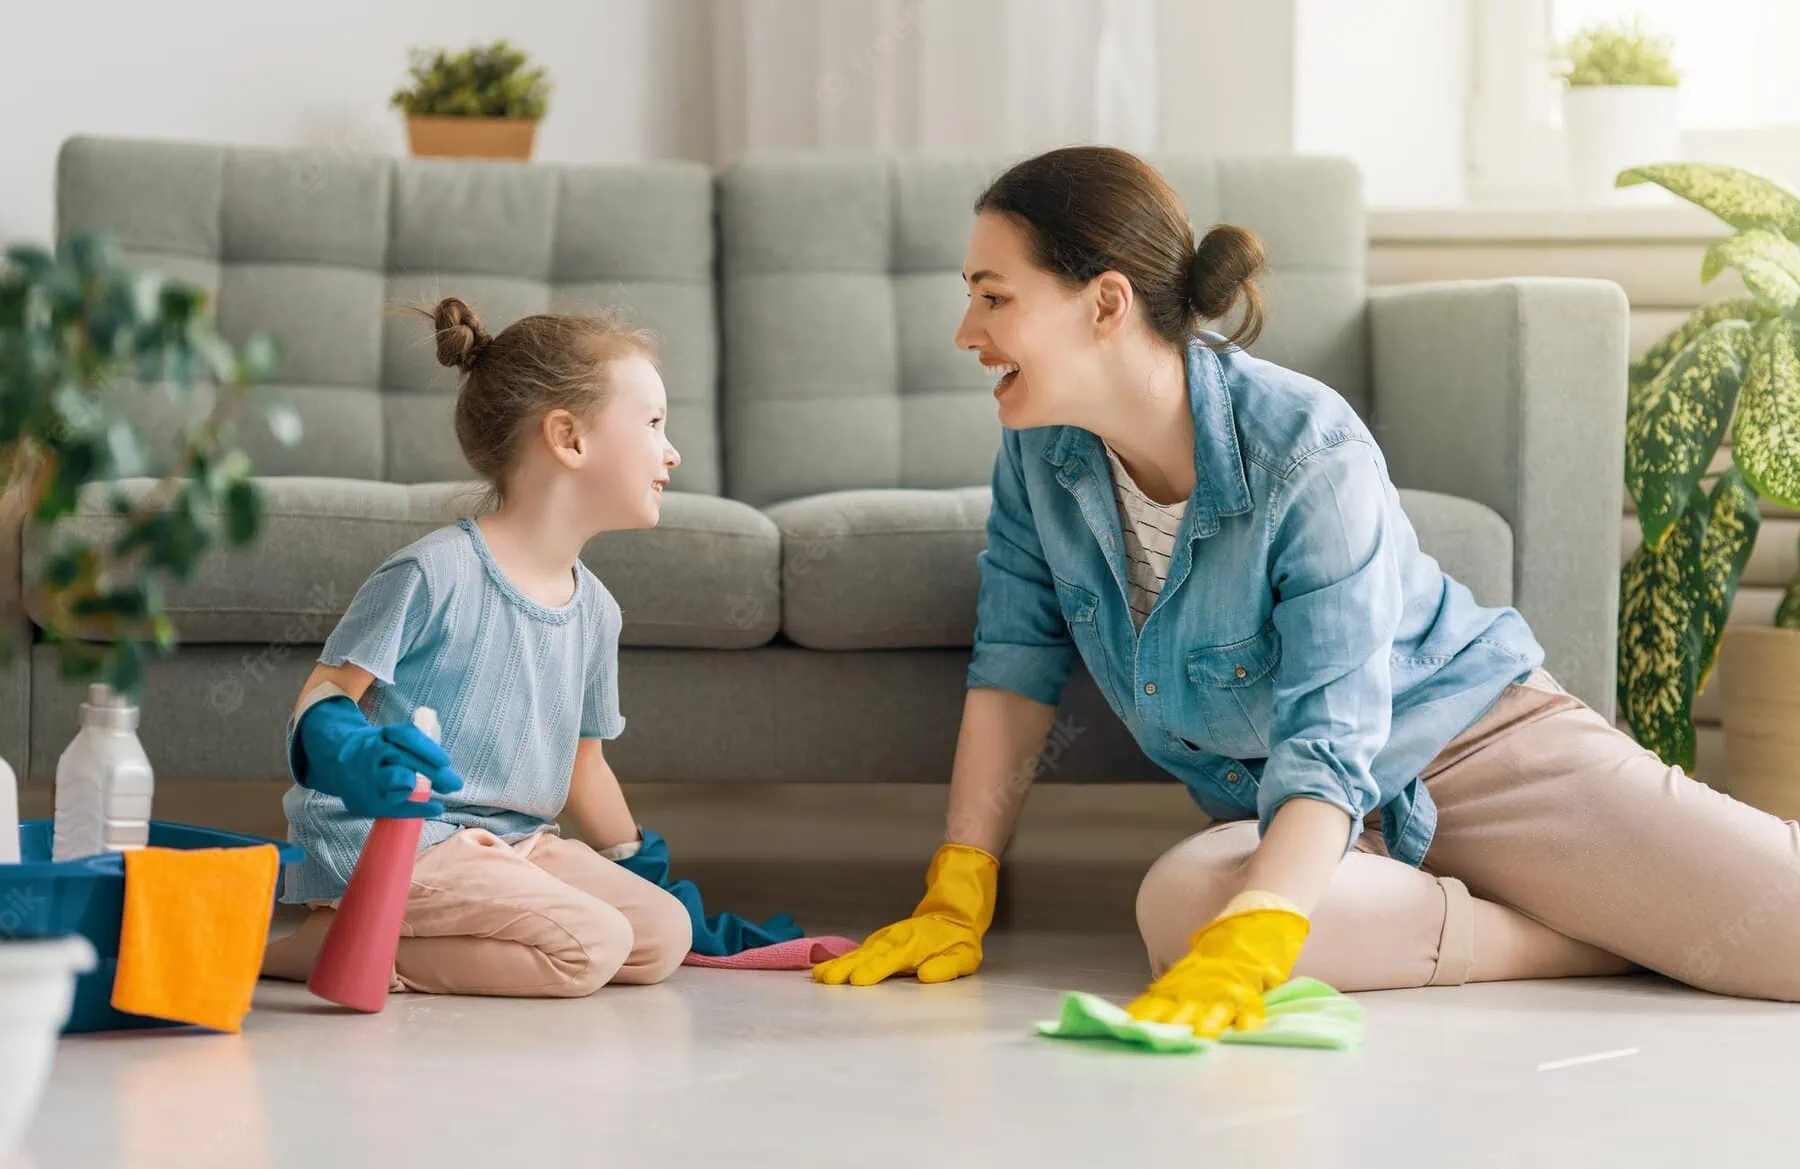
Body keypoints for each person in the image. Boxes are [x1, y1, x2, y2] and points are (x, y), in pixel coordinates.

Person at [813, 145, 1800, 1033]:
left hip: (1480, 747)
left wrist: (1273, 920)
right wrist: (960, 883)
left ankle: (1596, 902)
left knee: (1784, 929)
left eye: (994, 296)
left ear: (1105, 303)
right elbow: (1017, 663)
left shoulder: (1304, 445)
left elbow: (1335, 722)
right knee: (1183, 908)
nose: (965, 331)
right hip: (1308, 810)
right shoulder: (1039, 457)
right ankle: (1591, 934)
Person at [262, 299, 790, 997]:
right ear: (569, 438)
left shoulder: (596, 609)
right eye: (655, 423)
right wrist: (352, 754)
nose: (673, 451)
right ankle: (336, 943)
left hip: (516, 844)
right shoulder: (433, 572)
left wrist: (639, 865)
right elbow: (325, 692)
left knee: (663, 935)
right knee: (591, 948)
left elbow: (582, 764)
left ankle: (381, 929)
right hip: (397, 837)